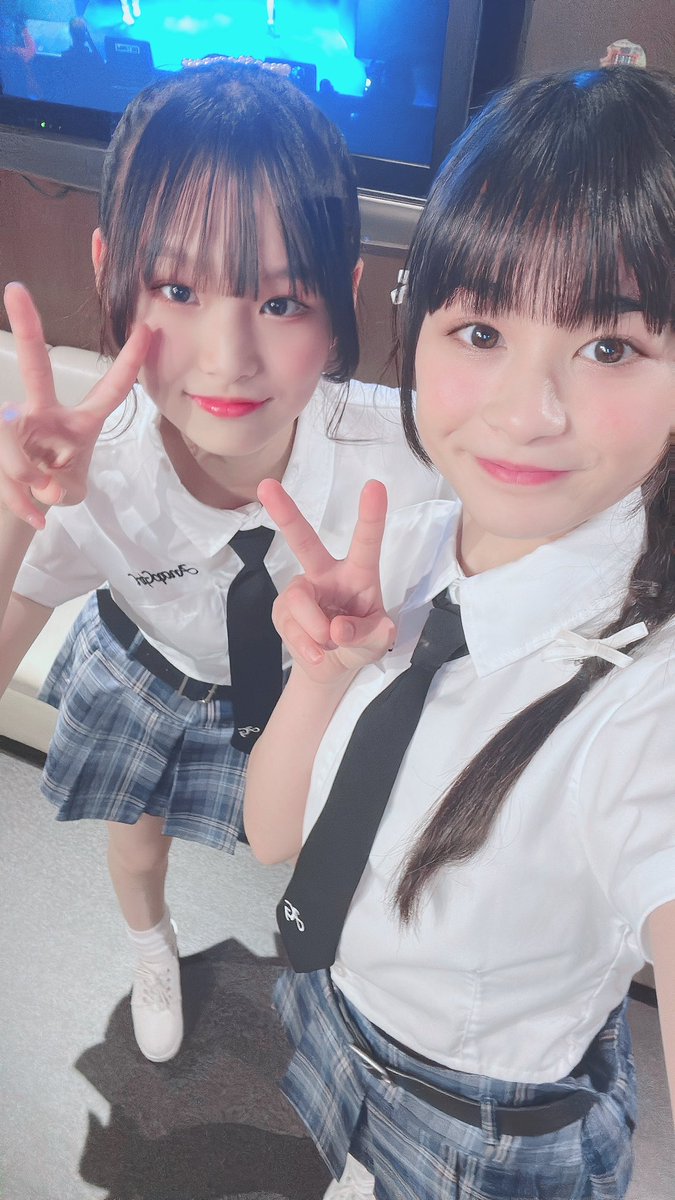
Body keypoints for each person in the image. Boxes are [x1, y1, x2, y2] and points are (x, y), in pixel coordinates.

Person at [244, 66, 675, 1199]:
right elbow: (274, 838)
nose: (526, 413)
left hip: (484, 1129)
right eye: (479, 328)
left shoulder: (650, 696)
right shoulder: (406, 549)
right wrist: (318, 678)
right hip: (334, 1007)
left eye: (611, 346)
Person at [0, 59, 446, 1065]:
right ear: (110, 268)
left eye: (282, 302)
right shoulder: (89, 468)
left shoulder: (401, 458)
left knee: (317, 847)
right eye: (177, 289)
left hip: (304, 681)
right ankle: (149, 946)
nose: (227, 356)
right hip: (147, 668)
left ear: (345, 294)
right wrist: (13, 513)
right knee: (136, 840)